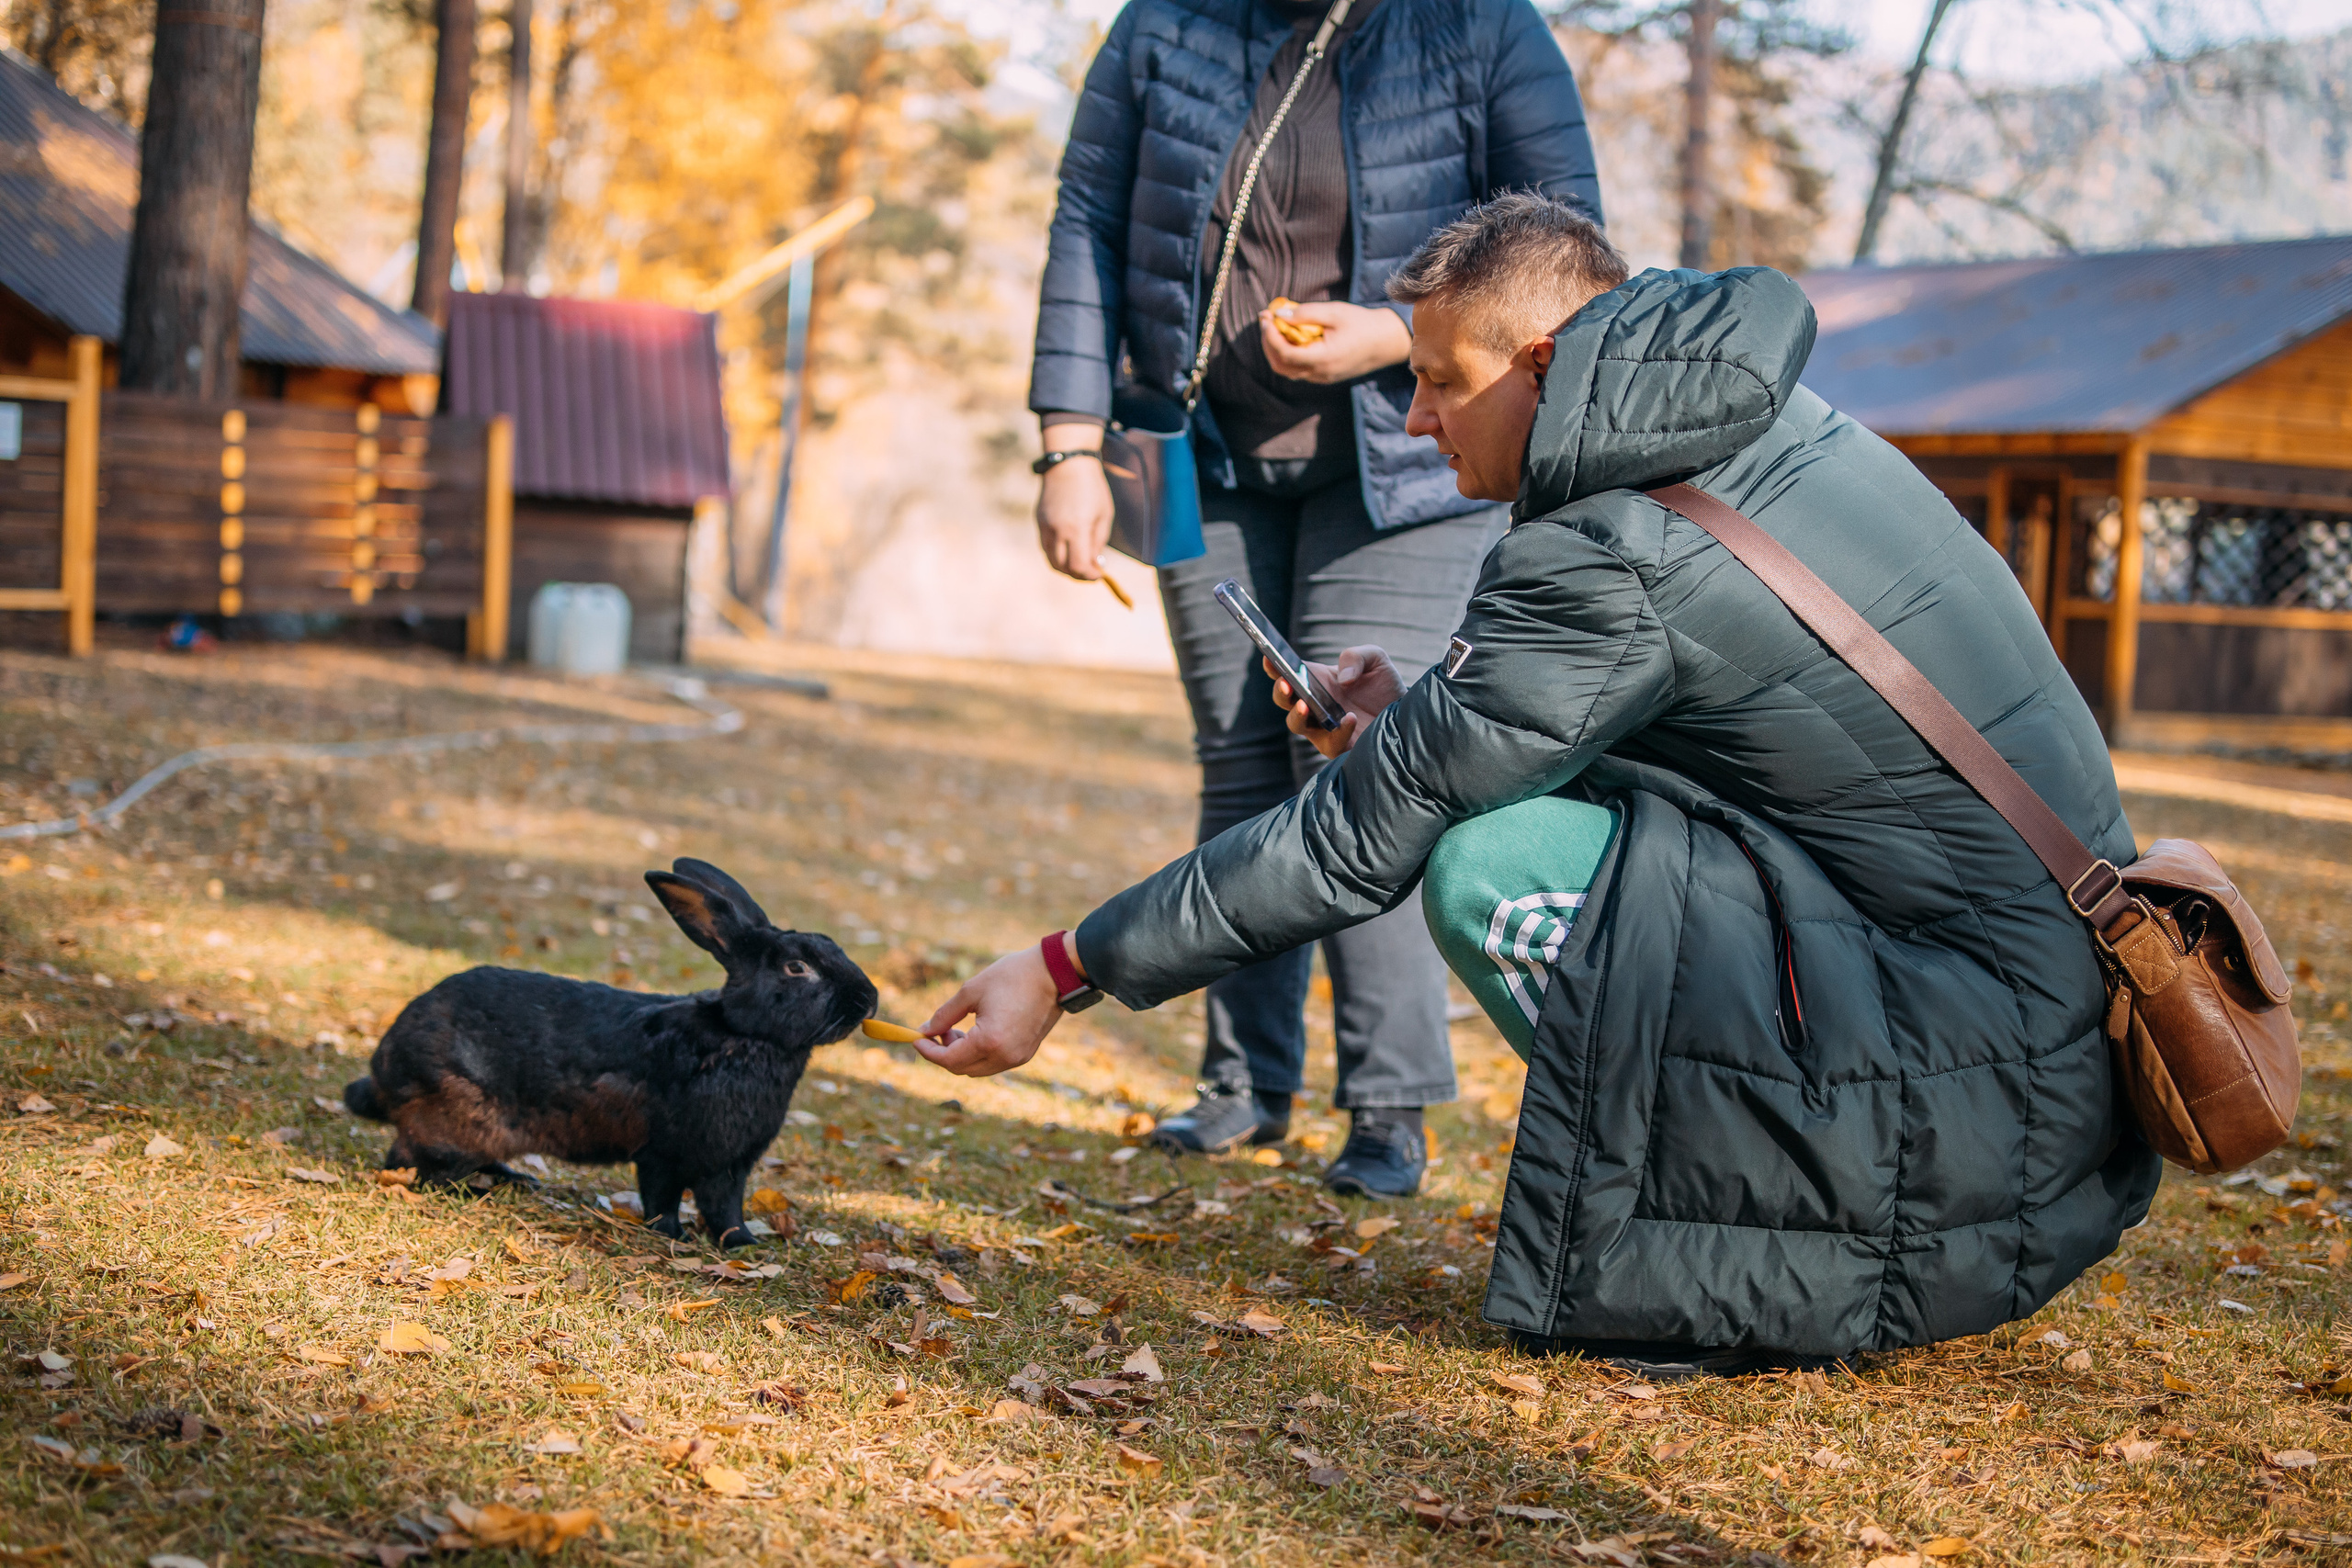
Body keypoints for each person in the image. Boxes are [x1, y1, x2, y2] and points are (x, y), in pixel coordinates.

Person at [933, 193, 2159, 1370]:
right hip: (2038, 1034)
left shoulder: (1609, 541)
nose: (1415, 421)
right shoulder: (1768, 432)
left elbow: (1354, 844)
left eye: (1437, 380)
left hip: (1976, 1103)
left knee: (1489, 869)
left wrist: (1066, 967)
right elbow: (1703, 737)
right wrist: (1414, 724)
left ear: (1536, 363)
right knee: (1508, 827)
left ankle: (1721, 1266)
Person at [1027, 0, 1605, 1196]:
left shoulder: (1484, 30)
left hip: (1404, 466)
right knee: (1238, 756)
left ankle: (1389, 1105)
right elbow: (1087, 218)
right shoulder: (1161, 26)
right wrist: (1068, 446)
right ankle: (1244, 1083)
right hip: (1187, 452)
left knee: (1357, 763)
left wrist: (1401, 333)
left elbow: (1572, 251)